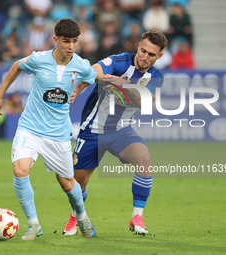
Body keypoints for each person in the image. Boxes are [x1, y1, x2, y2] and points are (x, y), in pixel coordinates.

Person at [0, 18, 97, 240]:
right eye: (66, 41)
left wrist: (79, 88)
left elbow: (92, 76)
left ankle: (82, 217)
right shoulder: (39, 59)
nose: (70, 46)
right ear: (55, 39)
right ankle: (33, 224)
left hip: (58, 134)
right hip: (29, 128)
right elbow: (15, 67)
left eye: (75, 42)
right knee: (20, 171)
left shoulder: (80, 65)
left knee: (68, 184)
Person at [62, 29, 167, 236]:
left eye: (151, 54)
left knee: (144, 159)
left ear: (160, 56)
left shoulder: (155, 77)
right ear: (138, 46)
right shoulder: (119, 61)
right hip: (92, 130)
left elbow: (145, 102)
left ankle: (137, 216)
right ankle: (76, 216)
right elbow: (92, 71)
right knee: (76, 183)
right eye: (143, 51)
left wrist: (121, 83)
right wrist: (91, 82)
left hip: (121, 131)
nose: (145, 57)